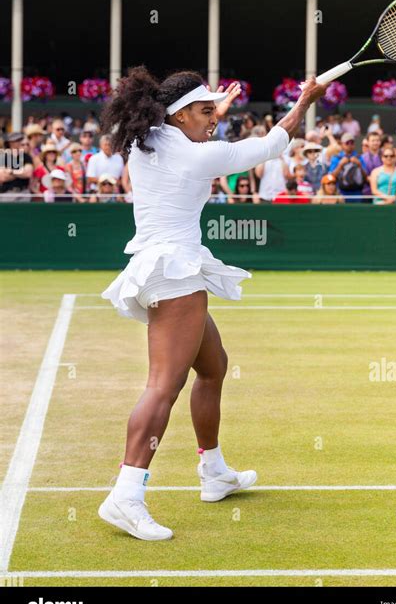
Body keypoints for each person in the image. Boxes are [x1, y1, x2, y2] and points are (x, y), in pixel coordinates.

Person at [98, 66, 327, 540]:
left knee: (214, 366)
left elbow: (192, 132)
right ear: (180, 116)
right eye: (206, 113)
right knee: (163, 385)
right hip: (173, 270)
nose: (215, 120)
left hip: (168, 266)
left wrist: (208, 110)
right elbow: (271, 143)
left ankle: (214, 471)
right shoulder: (195, 156)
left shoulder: (150, 138)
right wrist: (305, 99)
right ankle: (126, 494)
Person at [328, 133, 367, 201]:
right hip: (341, 193)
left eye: (352, 142)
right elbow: (331, 177)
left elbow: (365, 177)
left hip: (357, 193)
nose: (349, 145)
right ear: (342, 144)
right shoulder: (336, 158)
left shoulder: (359, 157)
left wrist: (359, 165)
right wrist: (340, 165)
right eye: (347, 143)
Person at [0, 132, 33, 202]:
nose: (19, 142)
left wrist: (11, 171)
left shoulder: (26, 157)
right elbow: (2, 177)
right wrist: (21, 172)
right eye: (16, 140)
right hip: (8, 193)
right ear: (10, 142)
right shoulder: (3, 157)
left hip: (23, 192)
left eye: (19, 140)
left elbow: (28, 173)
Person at [361, 130, 382, 199]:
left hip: (384, 192)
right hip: (367, 193)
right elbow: (364, 176)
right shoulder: (363, 158)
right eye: (373, 140)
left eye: (377, 140)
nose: (375, 143)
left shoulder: (386, 155)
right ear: (368, 142)